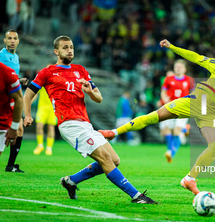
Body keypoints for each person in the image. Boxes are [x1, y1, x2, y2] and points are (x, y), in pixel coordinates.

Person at [99, 39, 215, 195]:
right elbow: (195, 57)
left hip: (210, 114)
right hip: (194, 102)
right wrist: (172, 47)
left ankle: (189, 179)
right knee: (154, 117)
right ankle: (113, 133)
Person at [23, 35, 156, 204]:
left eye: (71, 47)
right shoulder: (47, 72)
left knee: (115, 160)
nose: (69, 50)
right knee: (106, 159)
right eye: (65, 47)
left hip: (85, 123)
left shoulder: (81, 70)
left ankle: (70, 181)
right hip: (69, 124)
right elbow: (28, 94)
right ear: (56, 51)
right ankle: (136, 196)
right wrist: (27, 115)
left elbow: (99, 98)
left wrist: (90, 91)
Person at [0, 30, 28, 173]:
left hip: (12, 97)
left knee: (19, 128)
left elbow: (11, 77)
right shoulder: (1, 55)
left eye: (14, 38)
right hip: (3, 99)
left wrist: (19, 80)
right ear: (4, 41)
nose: (12, 41)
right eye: (9, 38)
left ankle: (11, 165)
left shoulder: (16, 57)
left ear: (18, 41)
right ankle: (10, 165)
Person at [159, 59, 194, 163]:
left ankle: (171, 152)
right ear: (174, 68)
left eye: (180, 67)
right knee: (166, 130)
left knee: (176, 130)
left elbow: (194, 93)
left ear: (184, 69)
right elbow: (163, 91)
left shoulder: (189, 80)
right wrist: (164, 98)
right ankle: (185, 130)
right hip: (170, 108)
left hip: (183, 109)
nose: (178, 68)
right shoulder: (168, 79)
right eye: (176, 67)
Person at [0, 62, 23, 158]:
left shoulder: (7, 73)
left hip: (1, 123)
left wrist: (14, 127)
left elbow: (19, 99)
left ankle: (11, 164)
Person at [33, 86, 57, 155]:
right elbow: (35, 94)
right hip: (42, 108)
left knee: (51, 127)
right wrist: (28, 103)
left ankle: (49, 148)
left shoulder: (55, 81)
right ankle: (40, 145)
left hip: (52, 108)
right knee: (39, 126)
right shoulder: (42, 81)